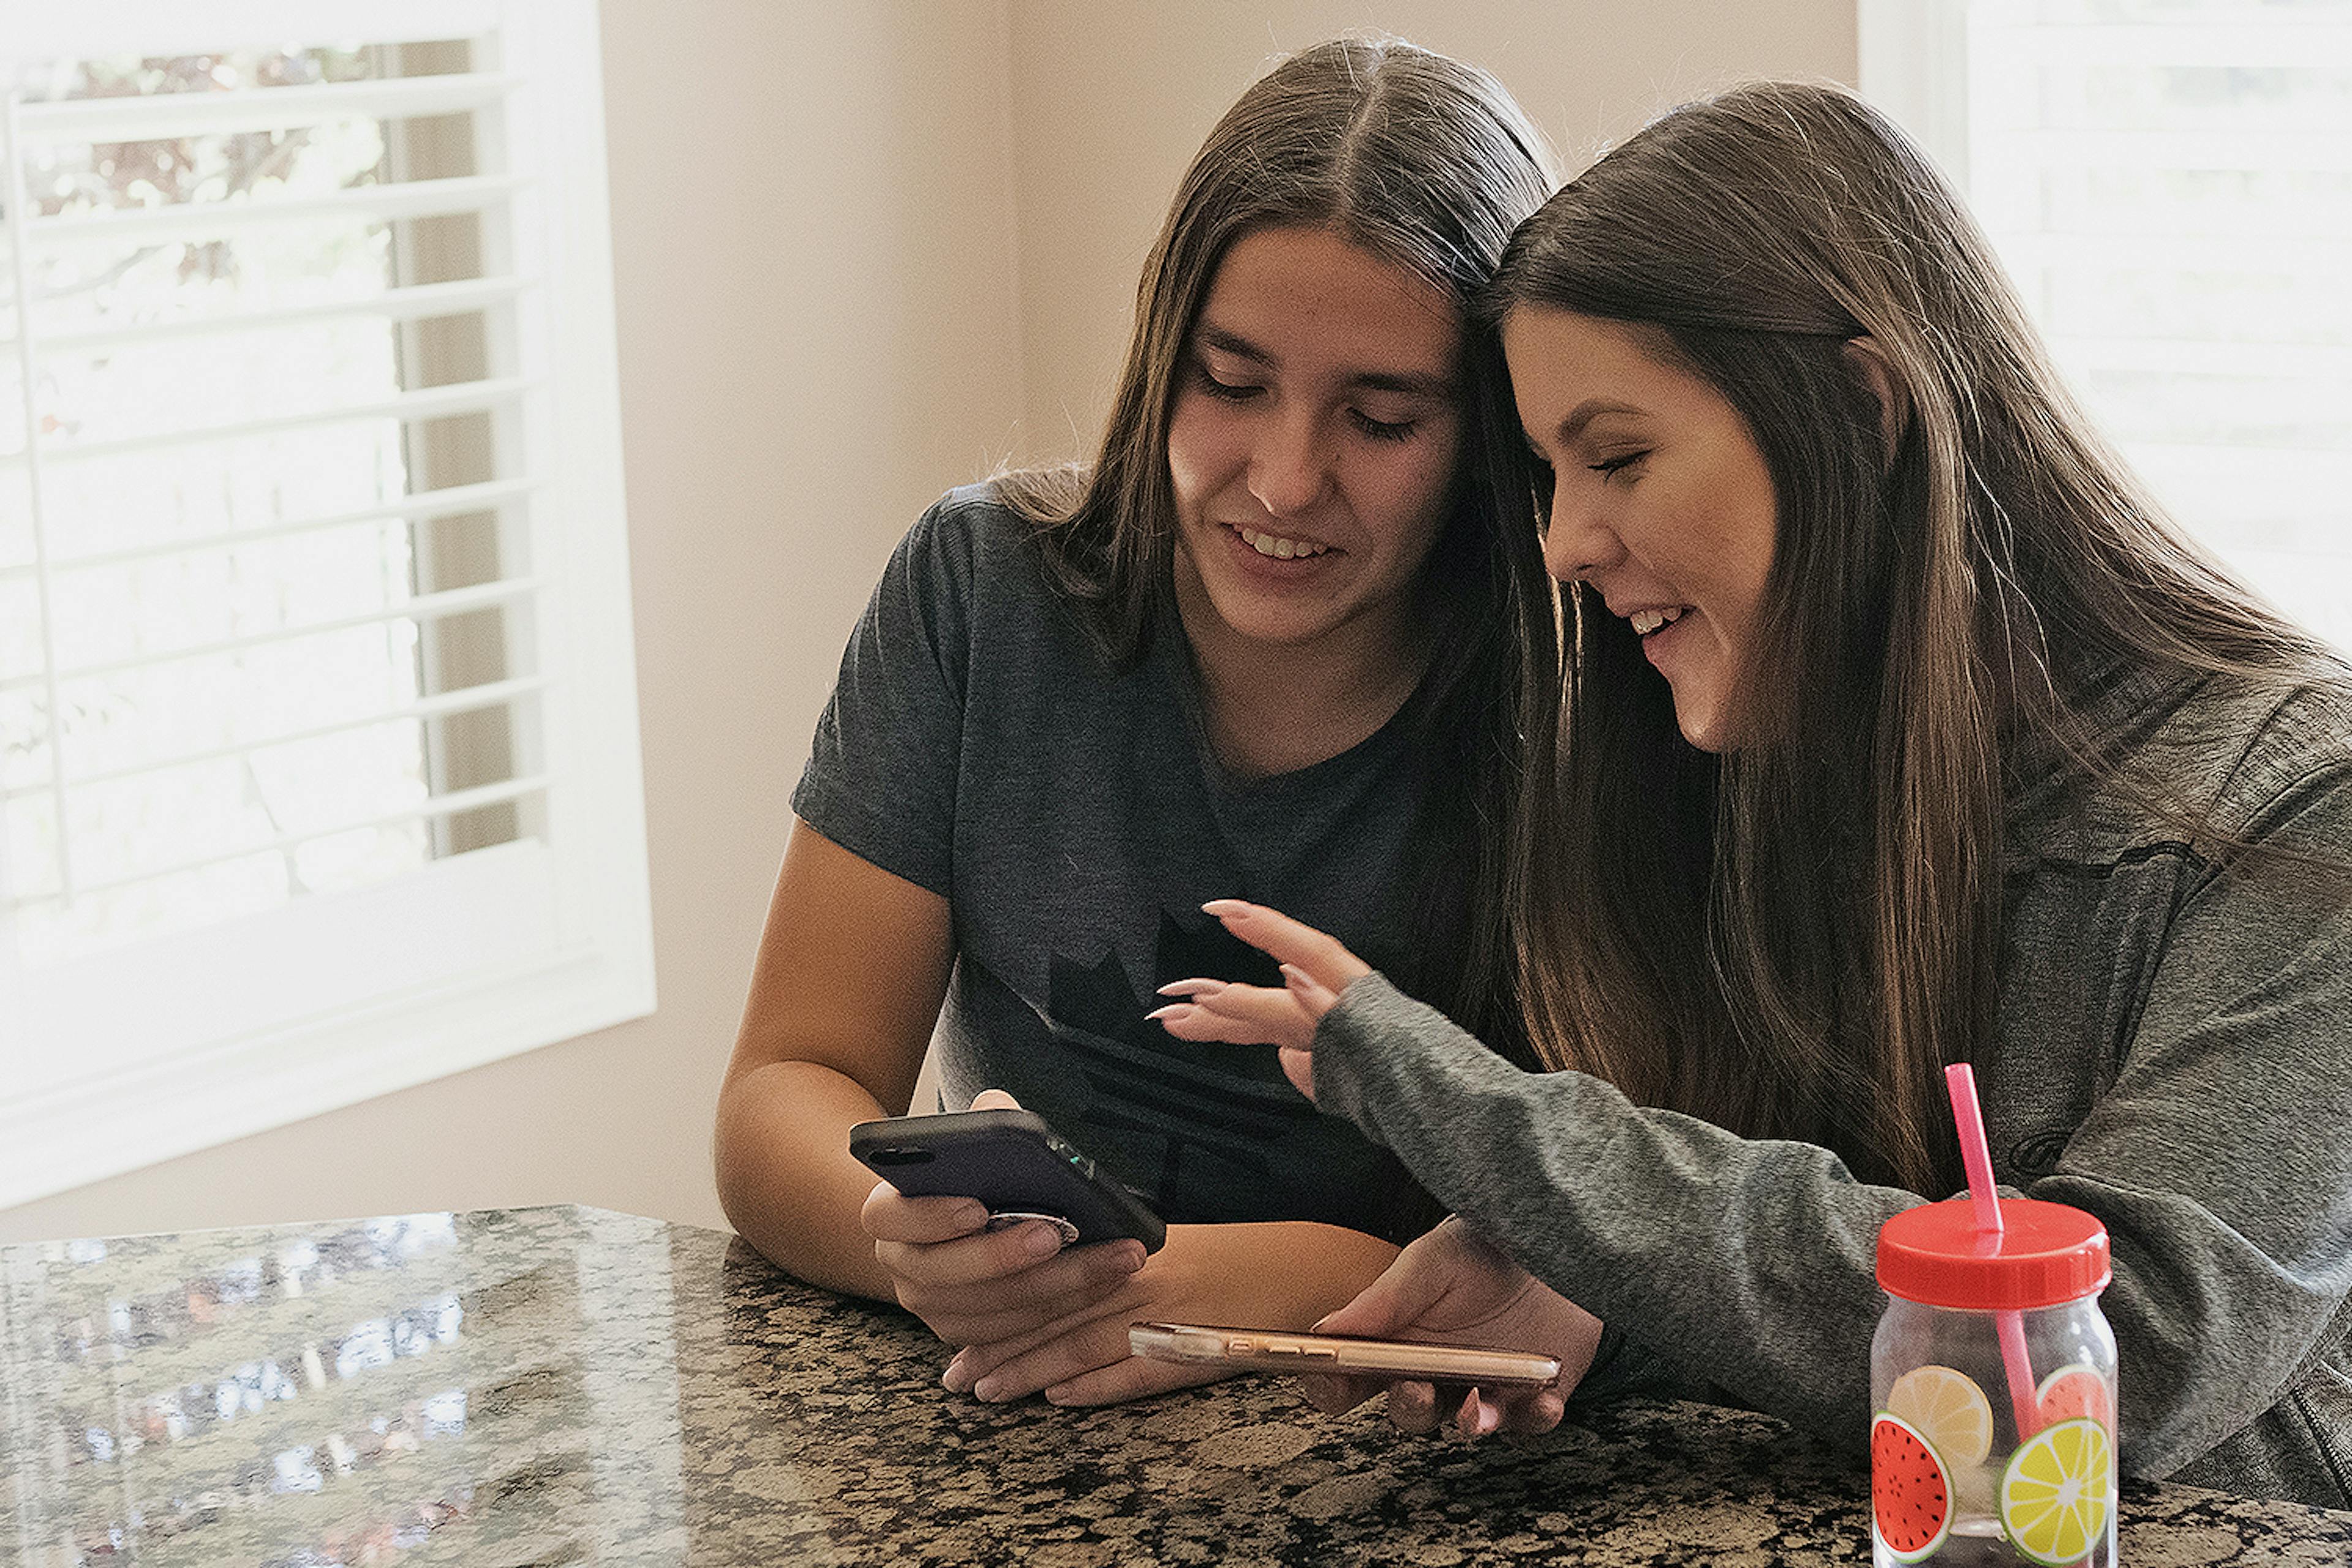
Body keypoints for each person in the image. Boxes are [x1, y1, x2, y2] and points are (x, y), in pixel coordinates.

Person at [1154, 79, 2352, 1507]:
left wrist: (1486, 1119)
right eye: (1547, 472)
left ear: (1859, 411)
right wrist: (1604, 1309)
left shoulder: (2304, 812)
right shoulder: (1757, 779)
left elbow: (2097, 1371)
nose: (1565, 545)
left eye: (1618, 456)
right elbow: (1852, 1315)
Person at [714, 38, 1560, 1408]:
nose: (1285, 480)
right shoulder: (980, 590)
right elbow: (784, 1089)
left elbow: (1557, 1245)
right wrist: (909, 1244)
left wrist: (1188, 1281)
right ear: (1164, 353)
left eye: (1382, 417)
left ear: (1490, 438)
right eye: (1232, 383)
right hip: (1009, 1401)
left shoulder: (1572, 707)